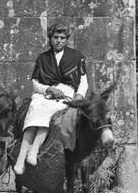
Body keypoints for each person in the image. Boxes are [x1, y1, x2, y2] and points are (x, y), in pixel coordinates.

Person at [12, 24, 89, 175]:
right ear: (50, 39)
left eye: (62, 38)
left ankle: (33, 151)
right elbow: (35, 83)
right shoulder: (43, 58)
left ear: (66, 40)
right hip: (46, 92)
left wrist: (78, 97)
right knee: (34, 111)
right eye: (56, 38)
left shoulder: (77, 56)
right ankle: (21, 159)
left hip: (66, 93)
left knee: (49, 112)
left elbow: (83, 81)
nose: (59, 41)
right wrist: (49, 89)